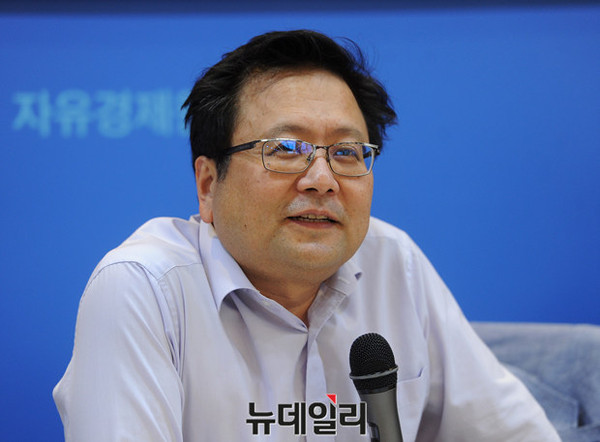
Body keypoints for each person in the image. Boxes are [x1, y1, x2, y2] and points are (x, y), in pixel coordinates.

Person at [53, 30, 560, 441]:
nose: (322, 179)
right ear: (208, 185)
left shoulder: (392, 262)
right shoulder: (145, 287)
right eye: (287, 148)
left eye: (346, 153)